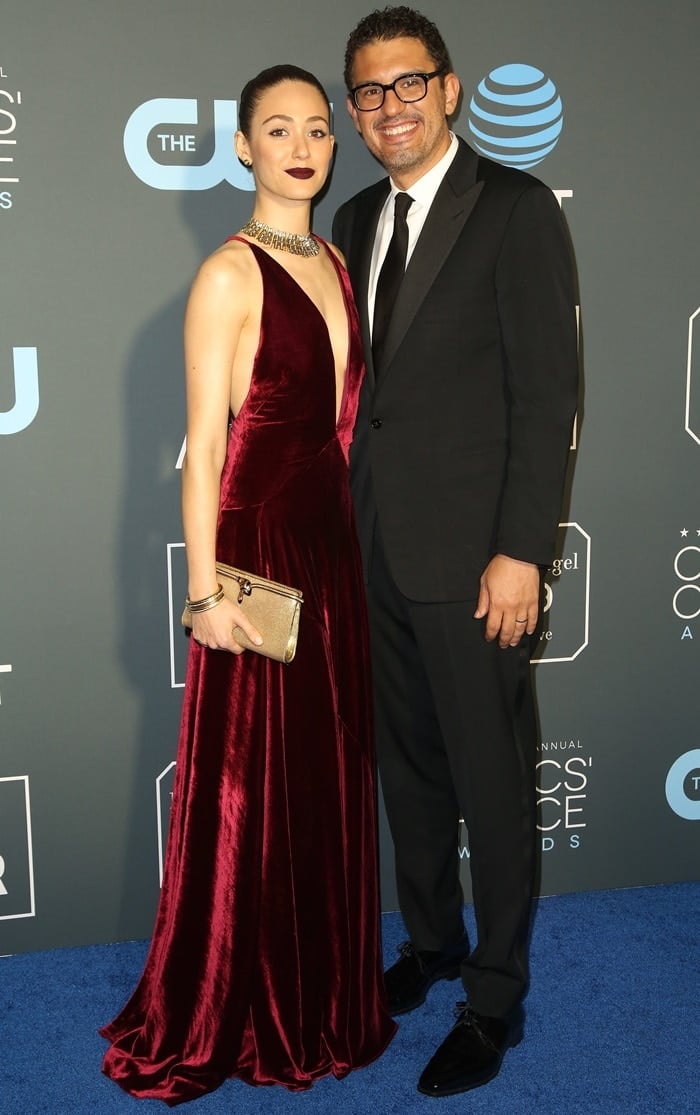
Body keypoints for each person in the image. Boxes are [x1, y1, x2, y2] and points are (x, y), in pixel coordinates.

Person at [100, 64, 396, 1105]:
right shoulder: (230, 275)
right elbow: (204, 448)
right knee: (246, 792)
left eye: (318, 127)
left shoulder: (333, 261)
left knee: (320, 780)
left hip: (331, 548)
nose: (303, 145)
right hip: (256, 553)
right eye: (278, 129)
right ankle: (237, 996)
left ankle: (318, 992)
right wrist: (205, 592)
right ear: (243, 147)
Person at [332, 6, 579, 1098]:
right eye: (369, 93)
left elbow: (547, 393)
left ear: (451, 87)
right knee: (411, 773)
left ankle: (493, 997)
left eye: (407, 84)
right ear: (354, 110)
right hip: (373, 547)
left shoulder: (514, 208)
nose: (390, 107)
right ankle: (430, 943)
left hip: (479, 561)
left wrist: (521, 550)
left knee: (490, 779)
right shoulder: (350, 218)